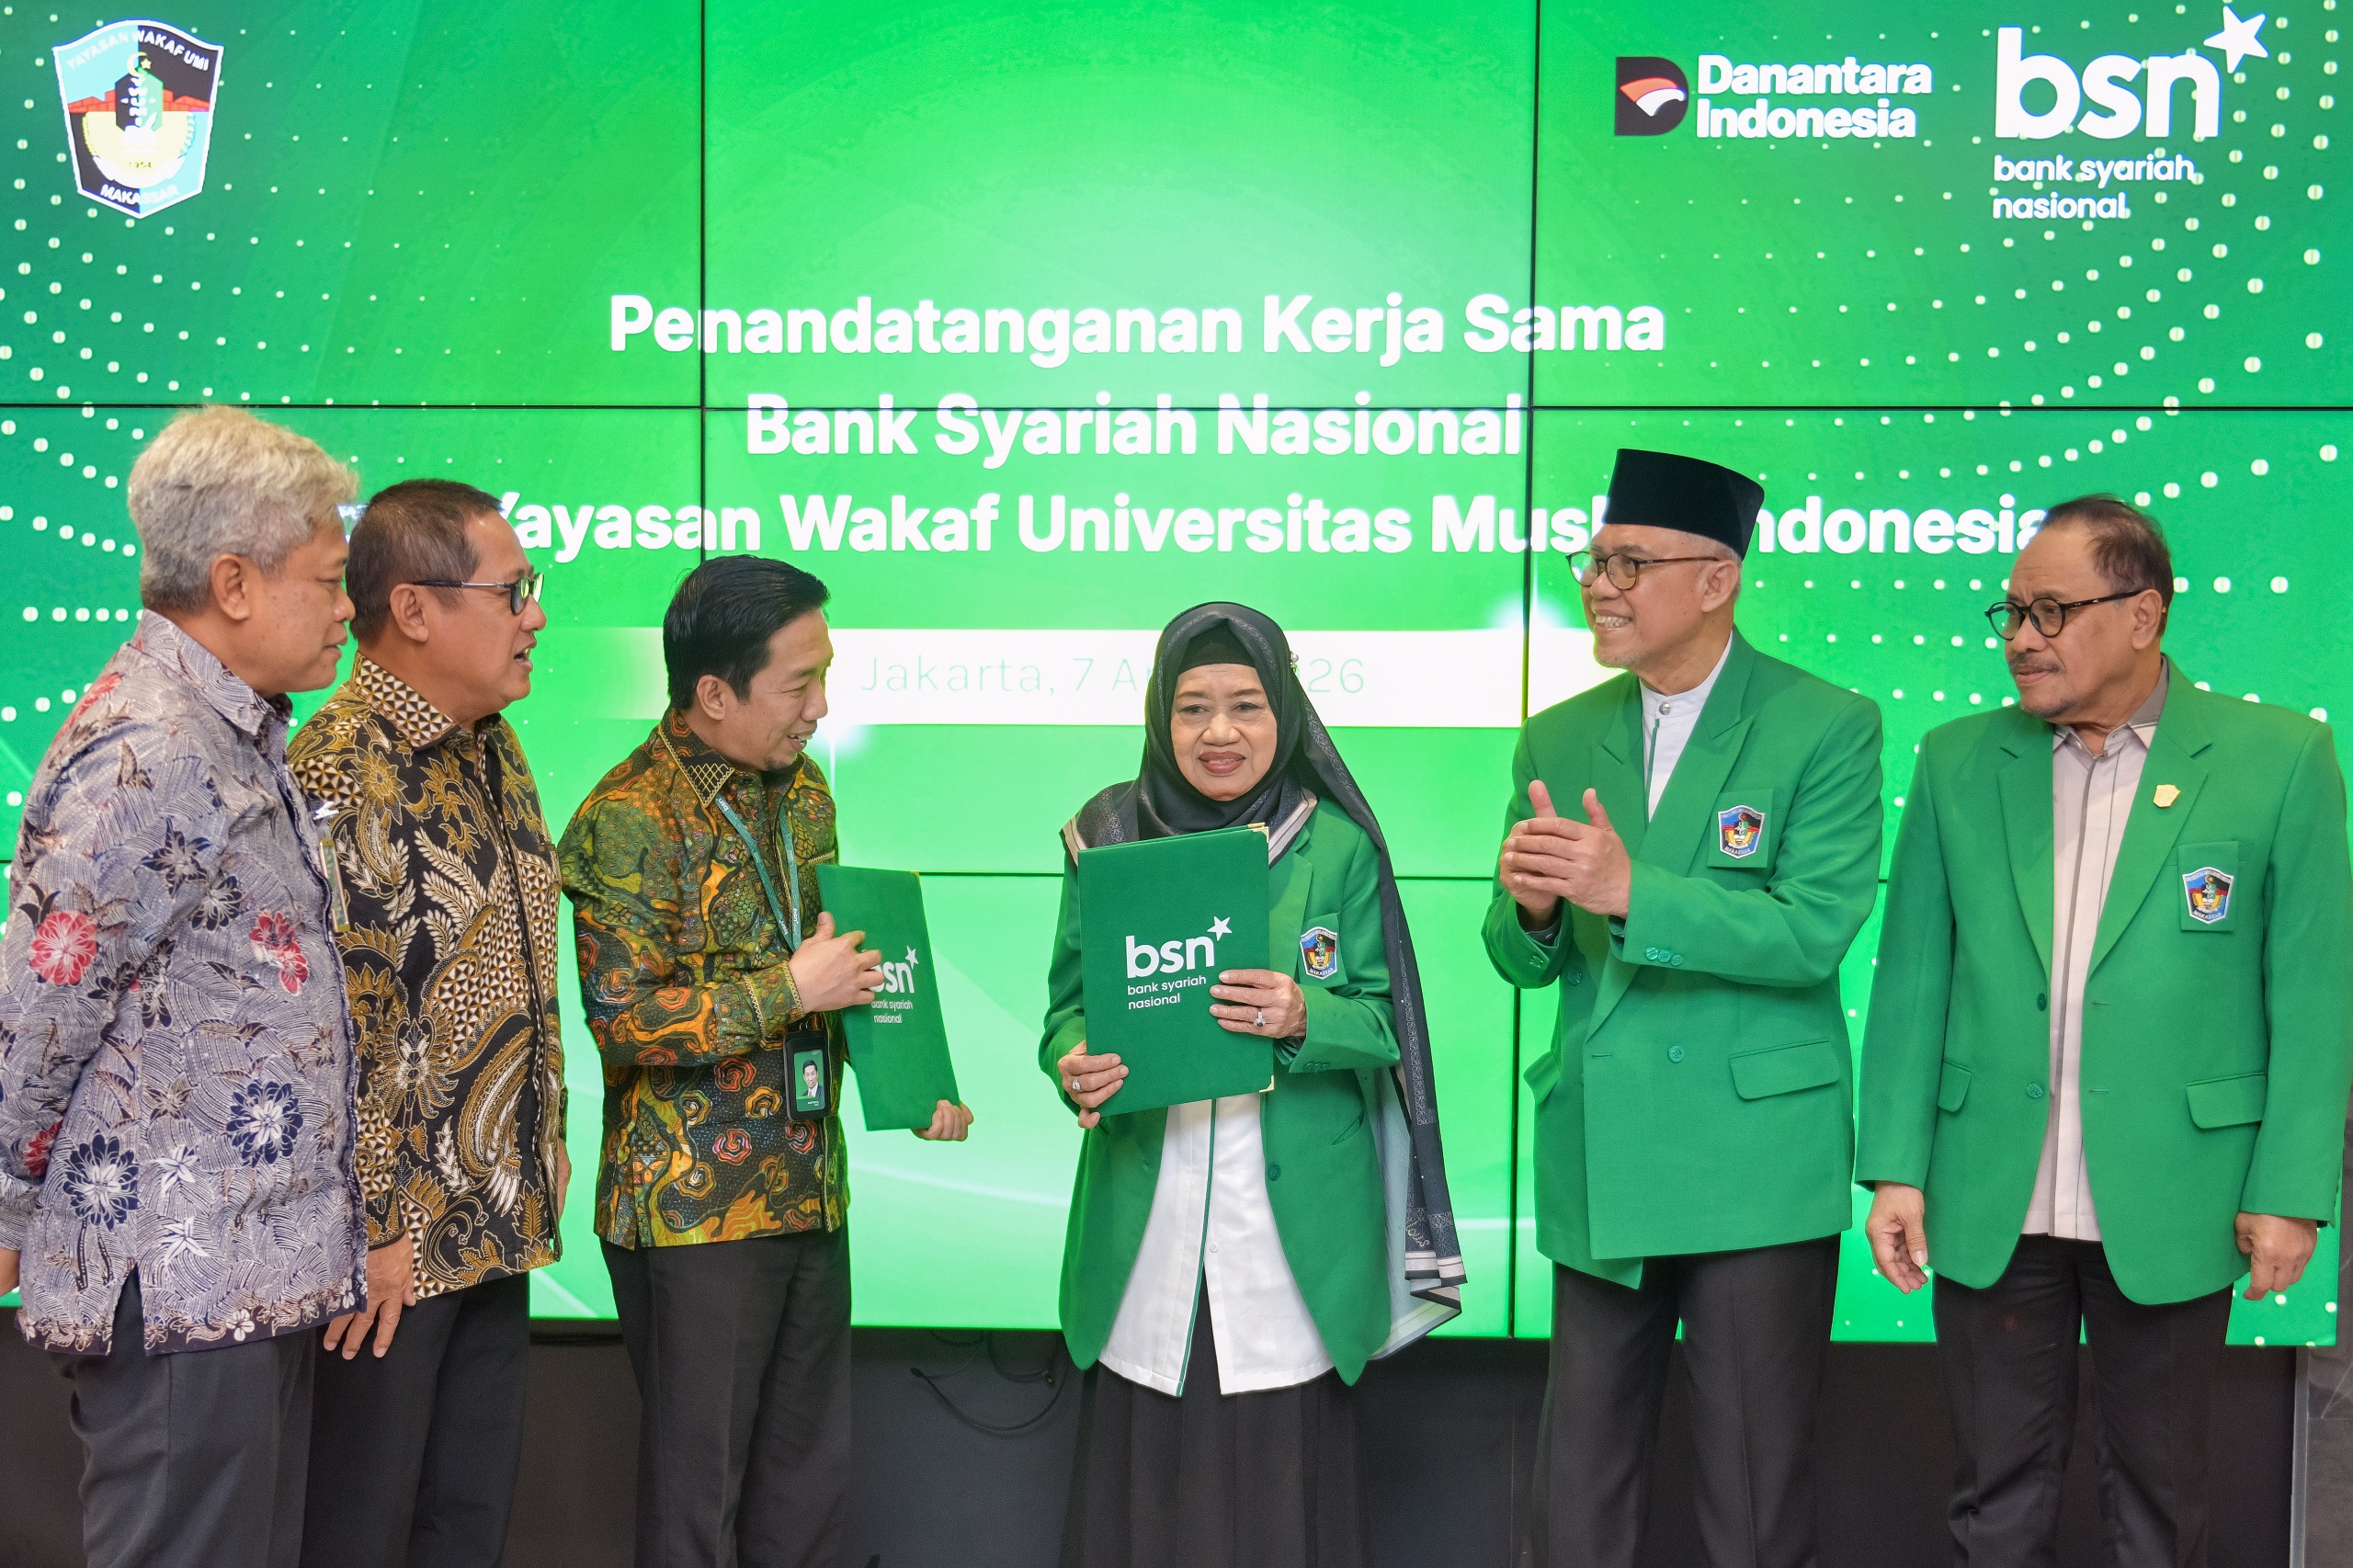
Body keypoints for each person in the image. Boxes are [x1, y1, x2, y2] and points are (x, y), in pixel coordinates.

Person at [1858, 495, 2353, 1565]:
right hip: (1992, 1190)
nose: (2020, 637)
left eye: (2051, 609)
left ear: (2142, 614)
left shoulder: (2278, 757)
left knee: (2160, 1503)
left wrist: (2289, 1189)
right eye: (2011, 611)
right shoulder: (1955, 759)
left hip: (2179, 1189)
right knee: (1993, 1497)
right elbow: (1912, 980)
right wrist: (1895, 1166)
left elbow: (2312, 998)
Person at [1489, 449, 1884, 1568]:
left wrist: (1630, 891)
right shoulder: (1557, 732)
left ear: (1717, 579)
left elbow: (1812, 930)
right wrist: (1530, 910)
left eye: (1629, 563)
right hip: (1602, 1145)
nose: (1598, 587)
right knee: (1578, 1494)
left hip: (1752, 1158)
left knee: (1751, 1495)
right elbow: (1520, 958)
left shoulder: (1825, 722)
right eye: (1591, 562)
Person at [0, 406, 366, 1568]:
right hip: (174, 1285)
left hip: (243, 1277)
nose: (348, 607)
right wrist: (3, 1208)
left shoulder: (229, 730)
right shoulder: (148, 748)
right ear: (234, 582)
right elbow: (39, 1009)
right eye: (330, 579)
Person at [559, 554, 972, 1568]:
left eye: (823, 676)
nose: (819, 707)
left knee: (808, 1490)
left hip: (809, 1188)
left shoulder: (806, 792)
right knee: (698, 1500)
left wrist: (913, 1079)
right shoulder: (630, 815)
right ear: (714, 692)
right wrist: (788, 987)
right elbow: (624, 1019)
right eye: (799, 683)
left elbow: (841, 960)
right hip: (694, 1212)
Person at [1047, 602, 1465, 1568]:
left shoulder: (1338, 845)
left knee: (1284, 1499)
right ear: (1161, 716)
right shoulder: (1104, 834)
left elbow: (1386, 1022)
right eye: (1192, 707)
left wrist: (1302, 1012)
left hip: (1291, 1224)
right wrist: (1073, 1060)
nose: (1219, 731)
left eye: (1246, 704)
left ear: (1286, 711)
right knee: (1142, 1495)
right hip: (1143, 1211)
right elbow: (1066, 1011)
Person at [288, 480, 565, 1568]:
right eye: (512, 591)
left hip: (496, 1217)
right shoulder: (339, 767)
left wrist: (541, 1143)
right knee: (359, 1530)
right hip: (390, 1248)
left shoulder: (492, 743)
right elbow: (343, 1026)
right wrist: (375, 1227)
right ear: (412, 608)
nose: (535, 614)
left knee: (466, 1526)